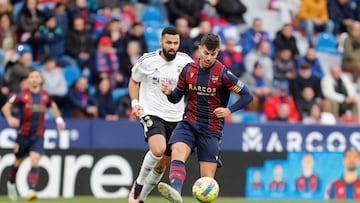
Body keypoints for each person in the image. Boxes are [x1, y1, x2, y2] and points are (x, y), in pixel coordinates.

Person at [158, 33, 253, 203]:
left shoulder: (224, 74)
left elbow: (247, 96)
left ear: (217, 53)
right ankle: (176, 191)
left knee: (207, 183)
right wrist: (168, 93)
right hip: (189, 122)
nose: (209, 57)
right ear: (200, 49)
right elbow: (176, 98)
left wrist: (229, 110)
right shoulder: (188, 70)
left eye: (213, 54)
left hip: (211, 130)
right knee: (177, 151)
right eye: (206, 53)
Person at [127, 27, 193, 203]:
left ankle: (141, 198)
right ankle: (139, 183)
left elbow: (192, 87)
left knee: (162, 164)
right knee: (158, 149)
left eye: (175, 43)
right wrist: (135, 104)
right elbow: (134, 81)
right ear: (161, 42)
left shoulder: (186, 62)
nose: (172, 46)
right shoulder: (148, 61)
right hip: (152, 112)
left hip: (177, 117)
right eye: (169, 42)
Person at [1, 69, 66, 201]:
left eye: (37, 77)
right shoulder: (21, 95)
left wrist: (59, 120)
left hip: (38, 135)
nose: (35, 79)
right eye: (32, 77)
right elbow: (5, 107)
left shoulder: (45, 95)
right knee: (18, 161)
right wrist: (9, 119)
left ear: (41, 80)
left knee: (35, 160)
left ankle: (31, 189)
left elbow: (52, 105)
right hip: (23, 135)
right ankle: (11, 183)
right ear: (28, 80)